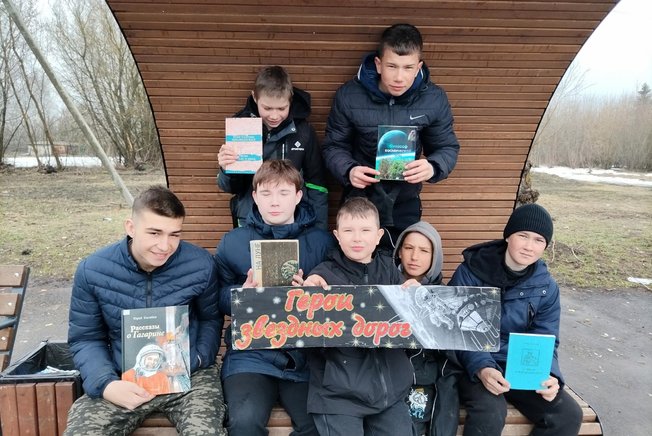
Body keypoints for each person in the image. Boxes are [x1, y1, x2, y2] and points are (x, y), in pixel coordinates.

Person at [65, 186, 226, 436]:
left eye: (174, 234)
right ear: (131, 227)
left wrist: (197, 358)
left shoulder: (200, 264)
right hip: (122, 377)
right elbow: (86, 337)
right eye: (154, 233)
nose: (165, 245)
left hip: (188, 377)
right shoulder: (93, 270)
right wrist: (106, 384)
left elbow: (210, 319)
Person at [214, 159, 335, 436]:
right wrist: (240, 295)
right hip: (250, 354)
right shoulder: (232, 241)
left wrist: (313, 295)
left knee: (320, 426)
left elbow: (339, 297)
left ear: (298, 196)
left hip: (305, 355)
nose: (275, 202)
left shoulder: (323, 242)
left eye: (283, 193)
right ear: (255, 196)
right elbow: (217, 299)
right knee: (244, 423)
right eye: (266, 193)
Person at [448, 203, 583, 436]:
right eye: (523, 236)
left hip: (521, 367)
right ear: (508, 236)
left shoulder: (546, 286)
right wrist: (482, 368)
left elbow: (546, 338)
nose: (529, 247)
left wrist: (551, 375)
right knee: (490, 413)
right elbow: (458, 330)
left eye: (539, 240)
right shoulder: (470, 272)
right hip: (474, 363)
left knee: (567, 415)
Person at [321, 23, 460, 248]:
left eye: (408, 68)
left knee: (400, 263)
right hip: (360, 198)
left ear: (418, 67)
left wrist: (433, 167)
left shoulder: (434, 99)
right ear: (378, 64)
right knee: (356, 261)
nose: (399, 77)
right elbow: (333, 146)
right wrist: (349, 170)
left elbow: (447, 147)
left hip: (405, 201)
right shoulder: (349, 95)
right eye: (392, 66)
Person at [304, 197, 417, 436]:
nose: (357, 238)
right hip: (338, 397)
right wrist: (307, 295)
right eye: (348, 231)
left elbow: (413, 327)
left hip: (389, 394)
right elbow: (303, 324)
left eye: (365, 230)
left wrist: (417, 298)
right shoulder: (323, 275)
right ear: (337, 236)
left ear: (378, 236)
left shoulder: (390, 272)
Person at [217, 65, 329, 229]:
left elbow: (317, 185)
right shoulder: (241, 127)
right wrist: (226, 169)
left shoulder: (303, 131)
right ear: (255, 97)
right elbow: (230, 187)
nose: (274, 115)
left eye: (281, 108)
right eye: (267, 108)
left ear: (290, 99)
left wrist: (319, 231)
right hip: (250, 220)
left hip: (295, 221)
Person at [394, 222, 461, 436]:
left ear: (435, 257)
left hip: (423, 380)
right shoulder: (384, 287)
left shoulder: (445, 297)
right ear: (399, 252)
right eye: (408, 248)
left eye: (424, 251)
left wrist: (426, 300)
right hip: (387, 378)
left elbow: (453, 349)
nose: (414, 257)